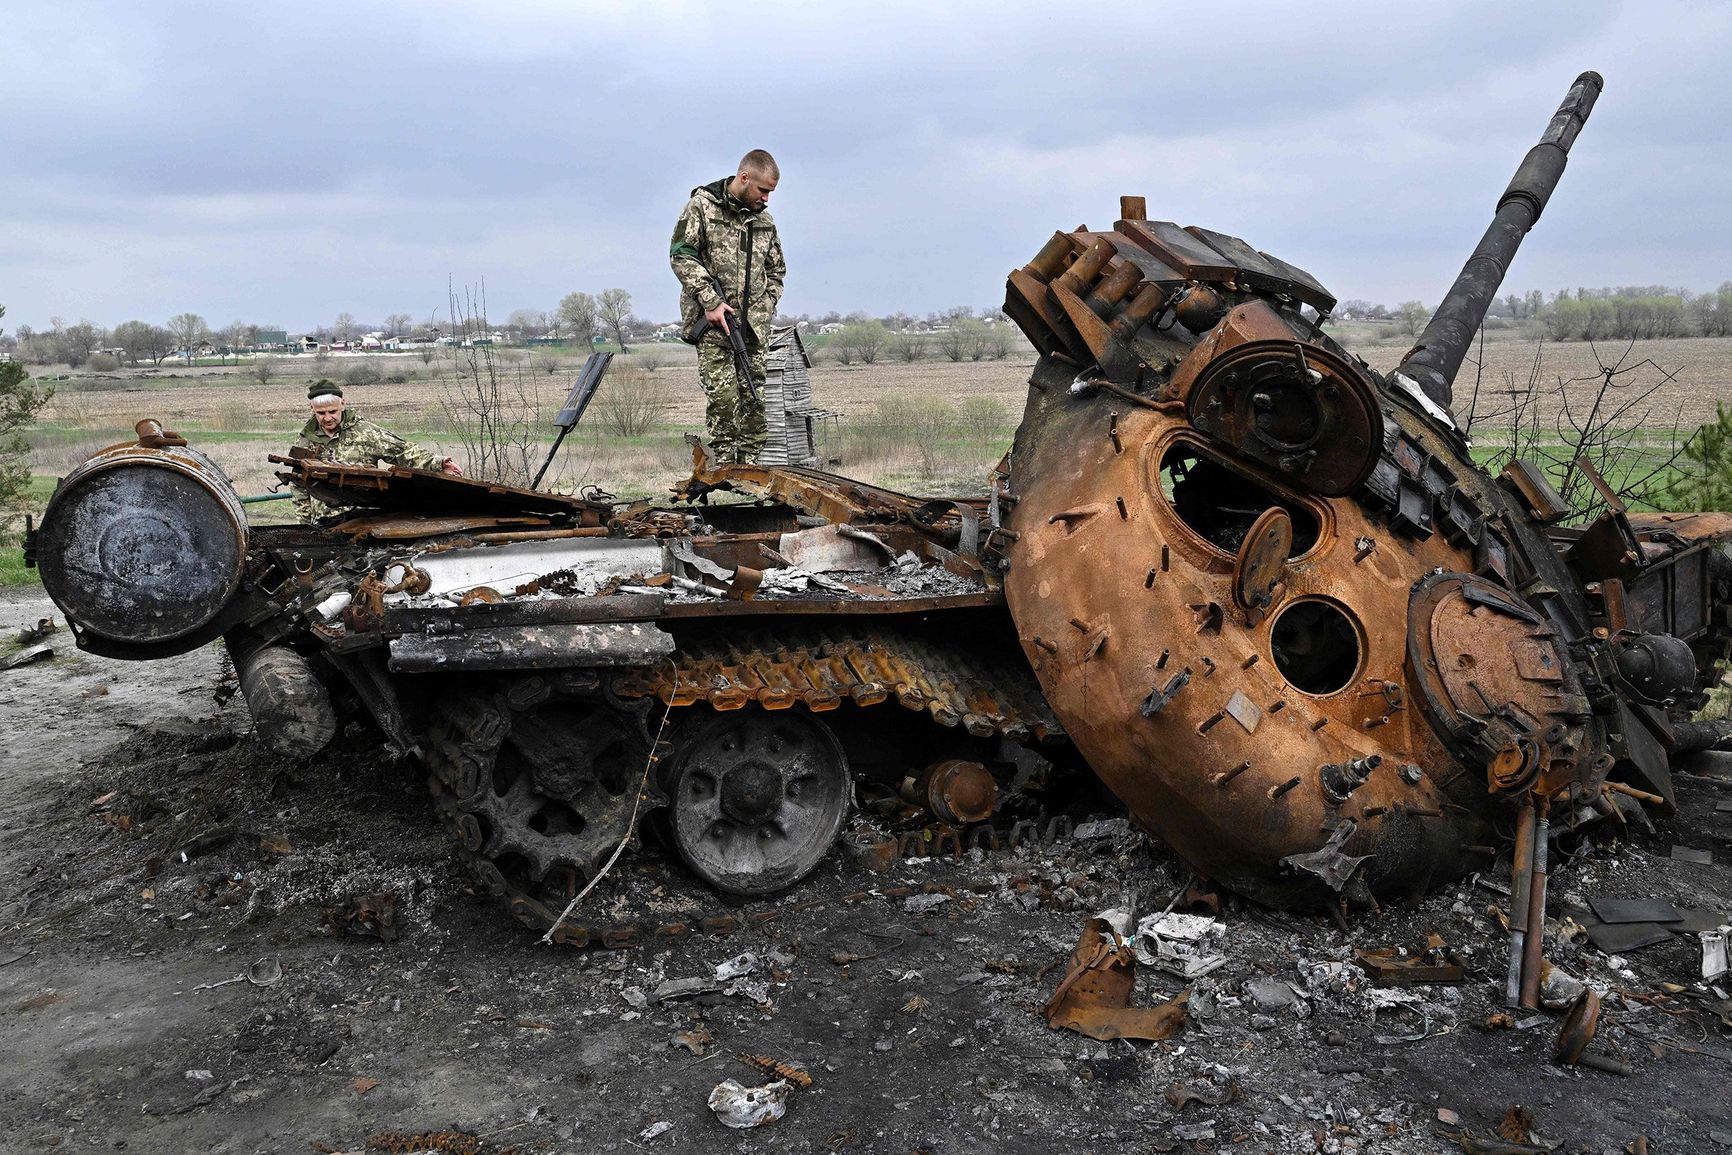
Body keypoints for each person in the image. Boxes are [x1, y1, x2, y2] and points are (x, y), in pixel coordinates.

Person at [670, 149, 786, 464]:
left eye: (770, 193)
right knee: (723, 399)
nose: (766, 199)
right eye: (763, 190)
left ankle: (749, 466)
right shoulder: (702, 208)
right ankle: (724, 461)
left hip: (753, 330)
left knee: (753, 399)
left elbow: (777, 271)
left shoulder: (764, 220)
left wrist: (766, 305)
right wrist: (710, 301)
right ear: (744, 178)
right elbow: (681, 254)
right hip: (712, 327)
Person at [291, 380, 461, 519]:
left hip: (360, 519)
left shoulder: (366, 432)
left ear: (343, 404)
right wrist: (305, 521)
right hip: (323, 521)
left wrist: (438, 463)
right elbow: (299, 483)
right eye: (321, 413)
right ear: (312, 409)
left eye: (332, 411)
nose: (327, 418)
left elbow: (403, 452)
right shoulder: (305, 439)